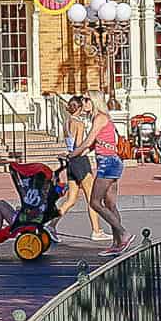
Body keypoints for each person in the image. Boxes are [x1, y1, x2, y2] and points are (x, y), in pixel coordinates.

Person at [86, 101, 128, 253]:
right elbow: (93, 145)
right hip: (111, 161)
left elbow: (88, 141)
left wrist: (74, 153)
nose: (83, 103)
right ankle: (118, 244)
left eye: (86, 100)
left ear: (93, 101)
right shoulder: (102, 118)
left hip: (107, 163)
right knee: (110, 204)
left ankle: (123, 233)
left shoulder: (100, 118)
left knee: (95, 202)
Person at [55, 95, 94, 230]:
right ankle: (96, 230)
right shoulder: (79, 123)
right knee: (91, 197)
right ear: (80, 107)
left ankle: (52, 225)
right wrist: (90, 144)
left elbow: (70, 144)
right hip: (79, 160)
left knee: (71, 199)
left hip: (70, 162)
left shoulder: (66, 123)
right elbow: (78, 145)